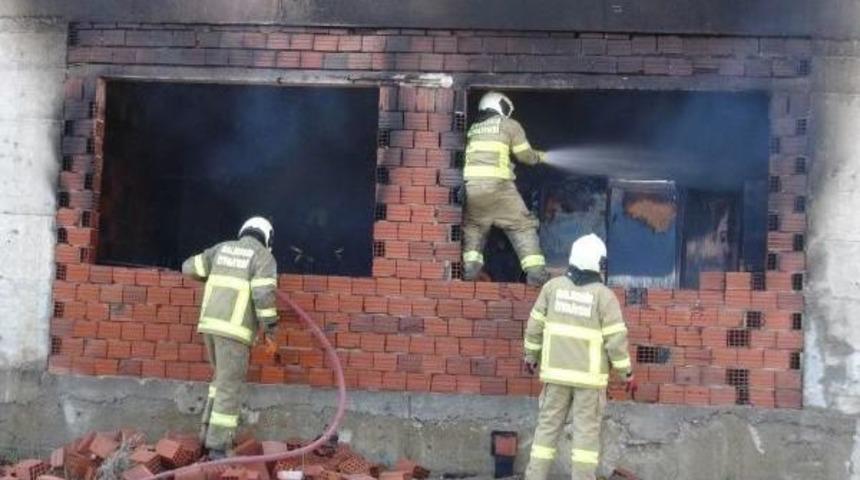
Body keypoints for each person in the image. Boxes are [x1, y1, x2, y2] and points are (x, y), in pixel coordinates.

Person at [522, 234, 637, 480]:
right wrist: (626, 373)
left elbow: (534, 328)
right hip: (589, 381)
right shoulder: (604, 296)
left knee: (546, 431)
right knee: (585, 438)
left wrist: (530, 357)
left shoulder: (552, 289)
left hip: (555, 376)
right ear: (597, 262)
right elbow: (616, 341)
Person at [181, 216, 279, 458]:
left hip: (210, 327)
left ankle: (206, 434)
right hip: (234, 333)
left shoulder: (221, 249)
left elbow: (188, 267)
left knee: (220, 382)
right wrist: (271, 329)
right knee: (229, 388)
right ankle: (218, 448)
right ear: (267, 238)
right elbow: (264, 296)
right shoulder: (263, 257)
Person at [461, 91, 550, 286]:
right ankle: (537, 276)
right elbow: (524, 155)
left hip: (473, 191)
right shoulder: (510, 125)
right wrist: (541, 157)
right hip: (499, 189)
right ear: (499, 105)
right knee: (522, 227)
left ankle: (468, 275)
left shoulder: (473, 129)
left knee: (474, 230)